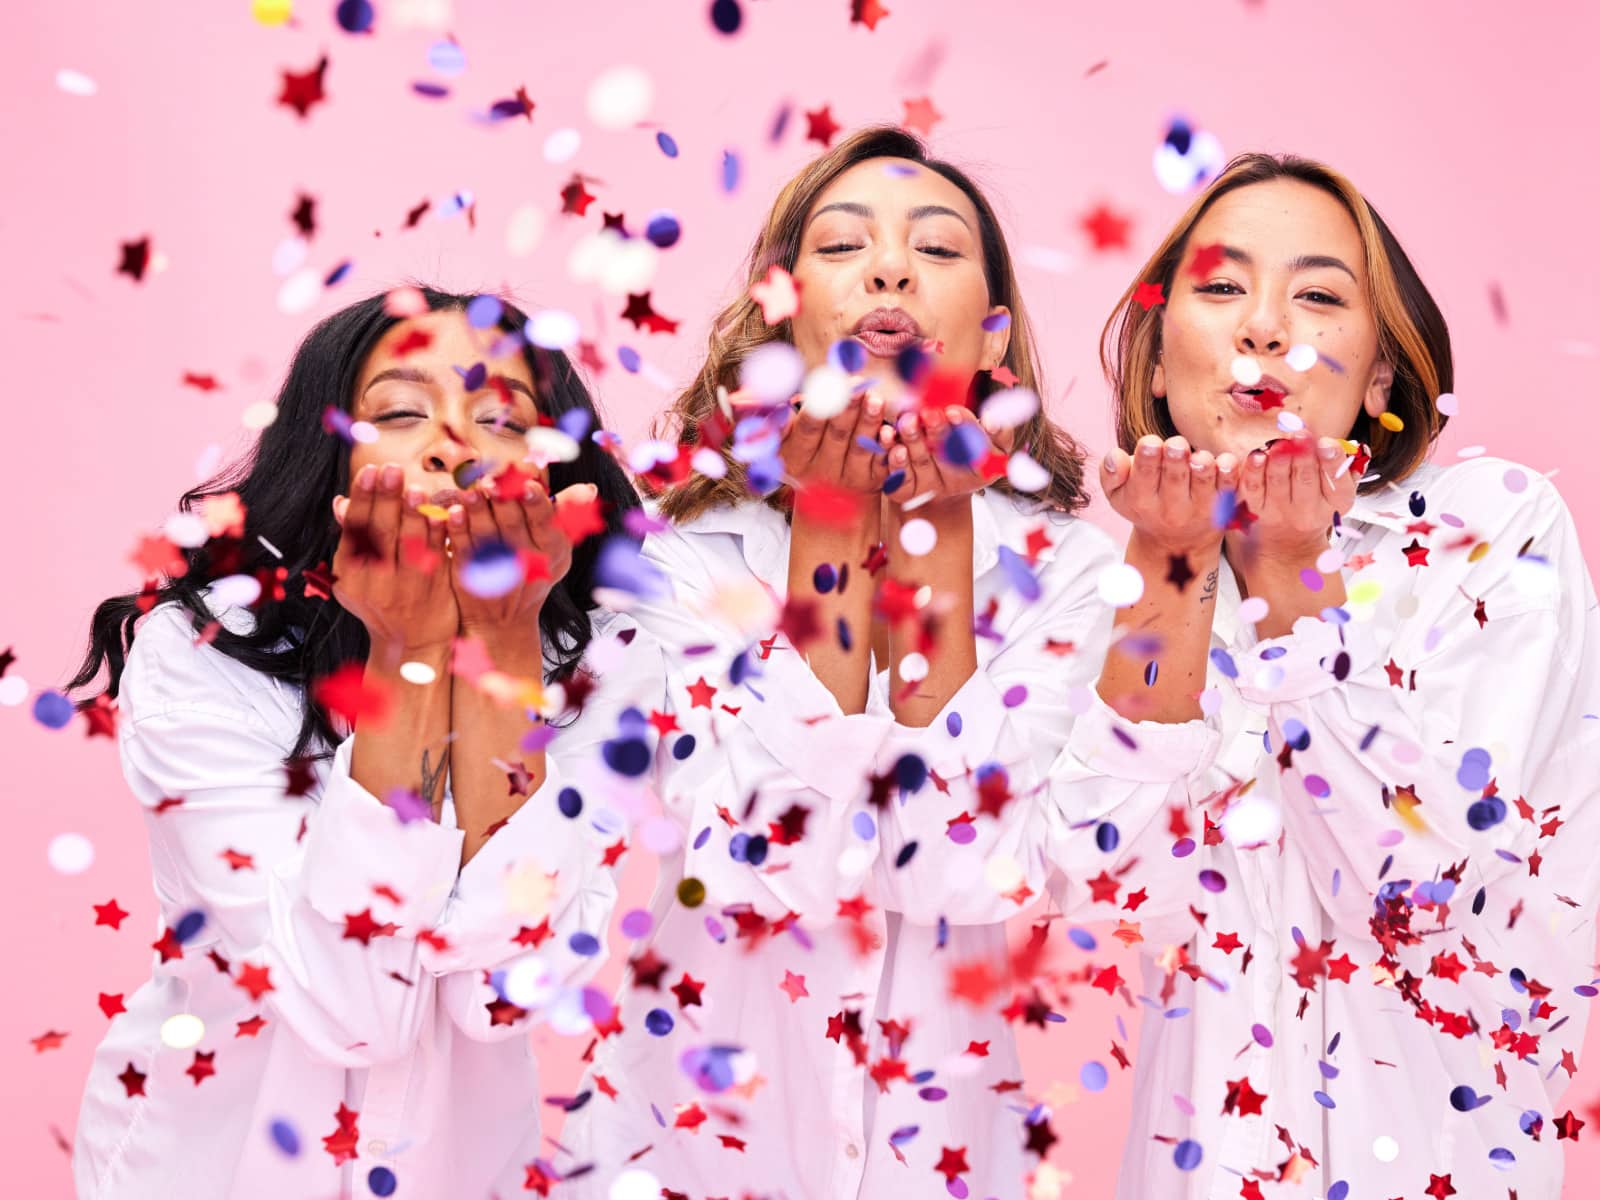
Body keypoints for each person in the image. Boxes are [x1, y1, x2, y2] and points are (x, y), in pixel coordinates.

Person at [560, 125, 1123, 1199]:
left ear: (993, 337)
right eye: (843, 244)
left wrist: (936, 543)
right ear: (780, 310)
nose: (891, 268)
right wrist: (828, 525)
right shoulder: (678, 567)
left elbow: (963, 869)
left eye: (938, 248)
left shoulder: (1070, 576)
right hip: (688, 1138)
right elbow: (787, 866)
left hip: (949, 1145)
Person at [1080, 153, 1600, 1198]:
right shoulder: (1114, 589)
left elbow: (1421, 896)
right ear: (1154, 360)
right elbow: (1113, 894)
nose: (1264, 327)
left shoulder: (1486, 533)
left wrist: (1287, 574)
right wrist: (1171, 569)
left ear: (1378, 376)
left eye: (1316, 295)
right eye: (1222, 288)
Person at [69, 287, 656, 1199]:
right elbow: (350, 1012)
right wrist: (409, 652)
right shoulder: (201, 650)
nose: (453, 444)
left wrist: (501, 648)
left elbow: (507, 995)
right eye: (402, 410)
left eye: (501, 415)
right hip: (211, 1167)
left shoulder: (609, 666)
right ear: (330, 453)